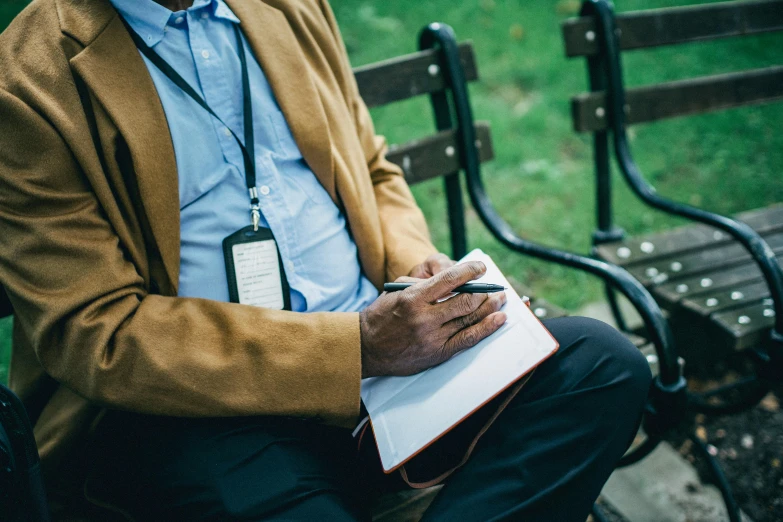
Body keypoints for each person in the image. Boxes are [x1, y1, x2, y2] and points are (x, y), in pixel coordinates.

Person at [0, 0, 652, 520]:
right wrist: (357, 348)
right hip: (205, 410)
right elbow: (97, 332)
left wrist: (417, 267)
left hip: (386, 355)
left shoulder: (289, 6)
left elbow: (371, 169)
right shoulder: (28, 83)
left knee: (602, 366)